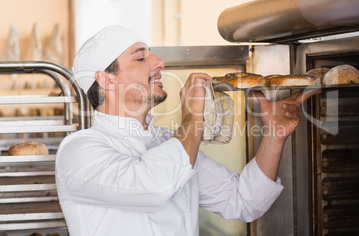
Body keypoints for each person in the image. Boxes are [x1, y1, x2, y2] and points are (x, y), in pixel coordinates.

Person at [55, 26, 318, 236]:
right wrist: (193, 116)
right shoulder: (78, 152)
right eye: (141, 56)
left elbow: (242, 201)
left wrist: (274, 135)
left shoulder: (169, 141)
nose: (159, 62)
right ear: (105, 78)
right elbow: (154, 187)